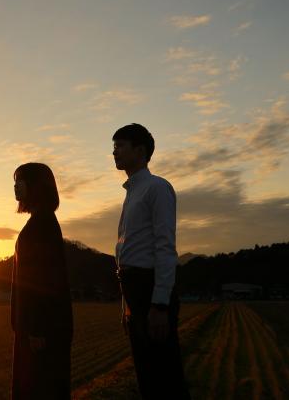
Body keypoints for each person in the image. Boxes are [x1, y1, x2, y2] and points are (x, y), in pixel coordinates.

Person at [112, 123, 190, 399]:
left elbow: (165, 247)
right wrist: (126, 305)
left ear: (140, 150)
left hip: (149, 288)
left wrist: (160, 305)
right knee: (146, 373)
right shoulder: (132, 191)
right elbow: (125, 253)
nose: (114, 152)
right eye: (114, 146)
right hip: (134, 290)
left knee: (165, 374)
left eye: (120, 146)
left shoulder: (157, 188)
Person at [10, 162, 73, 399]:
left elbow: (43, 280)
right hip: (36, 328)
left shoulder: (42, 224)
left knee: (39, 388)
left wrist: (37, 328)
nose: (15, 186)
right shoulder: (41, 221)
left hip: (41, 331)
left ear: (36, 186)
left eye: (20, 181)